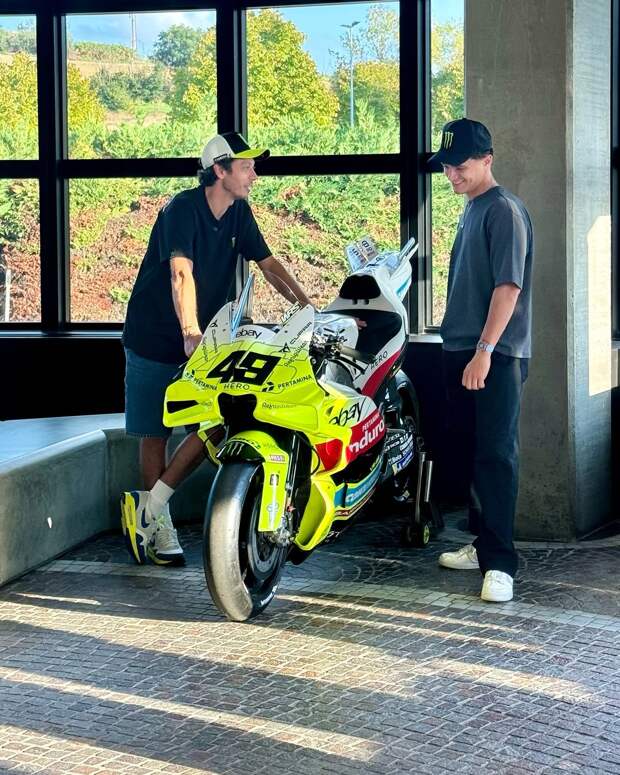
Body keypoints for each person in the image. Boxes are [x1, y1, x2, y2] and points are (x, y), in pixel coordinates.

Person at [120, 131, 313, 567]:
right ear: (219, 170)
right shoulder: (181, 209)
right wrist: (190, 330)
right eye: (246, 167)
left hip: (207, 342)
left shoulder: (239, 213)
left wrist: (308, 309)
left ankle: (149, 508)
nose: (254, 175)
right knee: (155, 430)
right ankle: (160, 526)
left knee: (217, 422)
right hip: (154, 336)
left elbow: (269, 265)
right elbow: (180, 274)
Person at [430, 118, 533, 603]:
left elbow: (507, 289)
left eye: (461, 166)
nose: (452, 175)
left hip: (495, 355)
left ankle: (501, 564)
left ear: (487, 160)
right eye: (446, 167)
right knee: (473, 452)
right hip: (461, 349)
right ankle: (482, 544)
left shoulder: (503, 211)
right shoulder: (472, 208)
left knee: (495, 456)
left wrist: (484, 352)